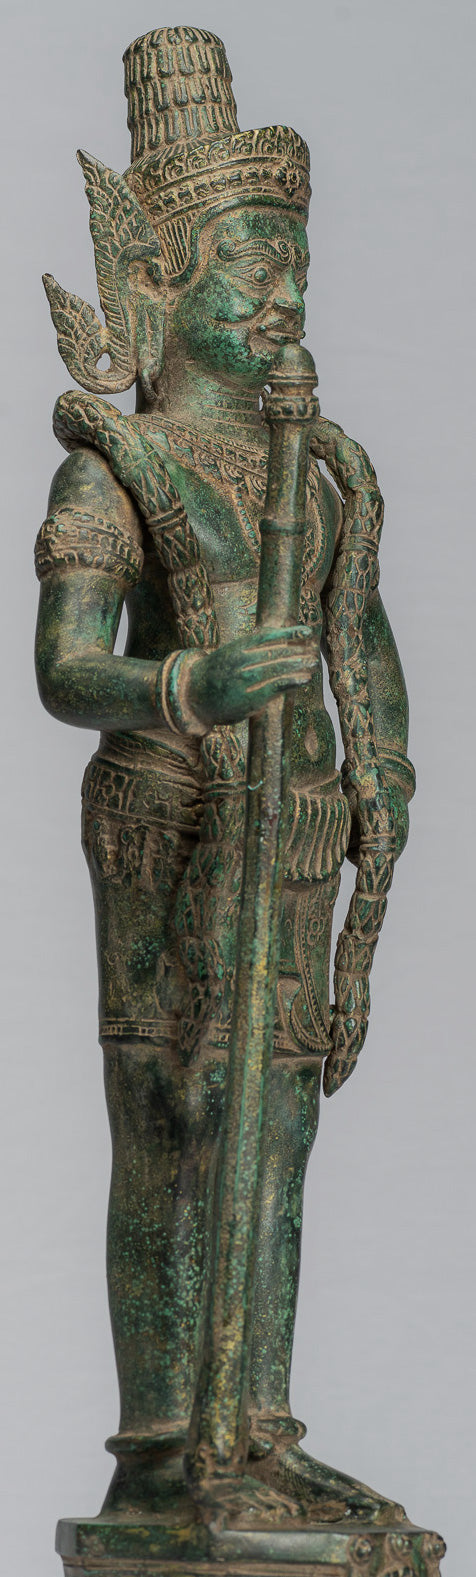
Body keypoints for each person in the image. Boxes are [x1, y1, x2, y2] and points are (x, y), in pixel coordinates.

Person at [35, 26, 415, 1526]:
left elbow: (358, 642)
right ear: (159, 282)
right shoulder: (113, 462)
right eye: (250, 272)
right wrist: (190, 682)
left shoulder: (321, 474)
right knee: (178, 1108)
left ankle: (252, 1426)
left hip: (293, 824)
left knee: (280, 1118)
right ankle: (160, 1447)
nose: (283, 301)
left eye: (295, 273)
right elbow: (69, 665)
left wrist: (380, 767)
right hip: (168, 814)